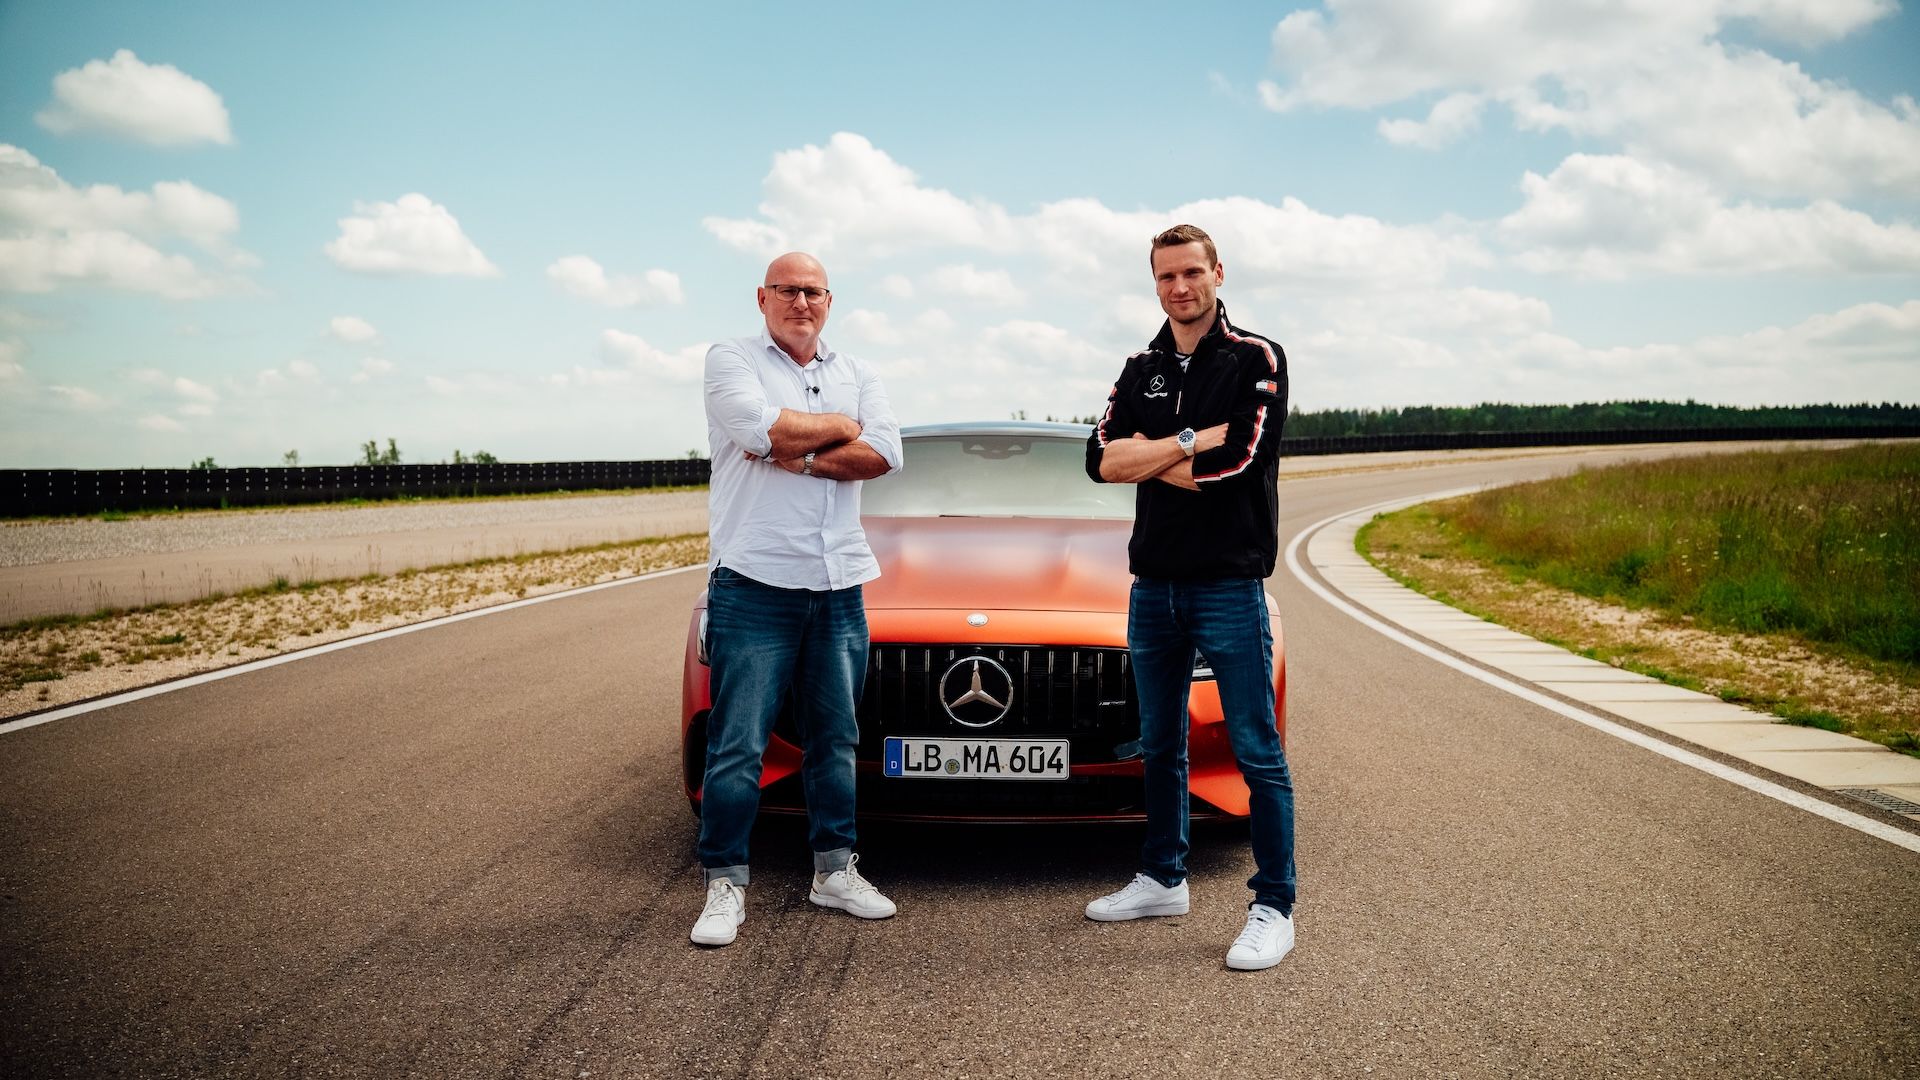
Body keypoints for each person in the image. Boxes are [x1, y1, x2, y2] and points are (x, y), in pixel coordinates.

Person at [1081, 224, 1297, 971]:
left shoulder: (1255, 358)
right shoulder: (1140, 365)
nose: (1180, 287)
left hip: (1229, 586)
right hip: (1154, 587)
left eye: (1192, 273)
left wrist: (1154, 453)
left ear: (1218, 273)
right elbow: (1099, 460)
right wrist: (1185, 440)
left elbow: (1237, 465)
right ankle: (1163, 878)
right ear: (1155, 282)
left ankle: (1273, 905)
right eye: (1166, 276)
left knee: (1255, 750)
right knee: (1160, 743)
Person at [690, 251, 904, 948]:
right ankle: (725, 884)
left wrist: (806, 449)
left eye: (813, 291)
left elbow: (884, 454)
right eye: (788, 290)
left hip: (839, 582)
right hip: (754, 582)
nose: (801, 302)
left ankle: (834, 872)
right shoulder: (731, 359)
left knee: (835, 739)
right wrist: (844, 426)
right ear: (762, 297)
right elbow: (758, 431)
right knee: (738, 744)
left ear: (830, 300)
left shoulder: (858, 373)